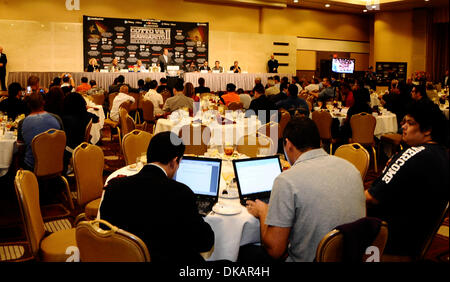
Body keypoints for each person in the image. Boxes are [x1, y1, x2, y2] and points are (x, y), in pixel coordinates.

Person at [244, 117, 365, 262]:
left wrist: (263, 212)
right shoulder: (351, 168)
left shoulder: (287, 180)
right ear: (319, 142)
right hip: (352, 254)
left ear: (288, 144)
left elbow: (275, 250)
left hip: (311, 258)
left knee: (246, 252)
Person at [99, 131, 215, 262]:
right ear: (174, 161)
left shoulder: (114, 186)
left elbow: (104, 230)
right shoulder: (181, 193)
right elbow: (204, 242)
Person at [365, 101, 449, 258]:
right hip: (417, 238)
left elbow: (371, 198)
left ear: (427, 129)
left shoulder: (413, 153)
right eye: (404, 122)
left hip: (387, 239)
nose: (403, 127)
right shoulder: (442, 154)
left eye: (410, 123)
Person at [17, 93, 63, 171]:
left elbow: (21, 148)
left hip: (32, 166)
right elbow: (62, 141)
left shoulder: (22, 123)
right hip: (56, 164)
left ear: (28, 105)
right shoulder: (56, 118)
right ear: (43, 102)